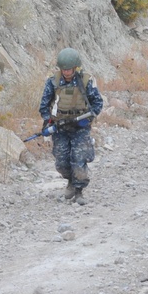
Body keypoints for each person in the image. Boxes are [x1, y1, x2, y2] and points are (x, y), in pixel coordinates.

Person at [38, 48, 105, 205]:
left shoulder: (86, 81)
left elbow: (97, 103)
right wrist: (50, 121)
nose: (66, 72)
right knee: (61, 162)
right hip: (60, 128)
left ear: (75, 67)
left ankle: (79, 190)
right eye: (64, 69)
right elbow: (44, 106)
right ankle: (69, 181)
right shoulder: (53, 82)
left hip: (80, 128)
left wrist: (87, 118)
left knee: (79, 158)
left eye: (69, 69)